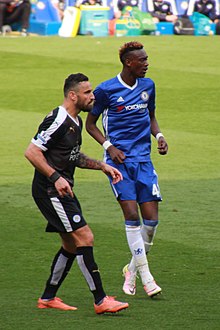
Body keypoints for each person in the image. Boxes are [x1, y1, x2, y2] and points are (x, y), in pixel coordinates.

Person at [24, 73, 129, 314]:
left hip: (61, 188)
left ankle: (48, 297)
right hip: (50, 190)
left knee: (71, 245)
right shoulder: (58, 120)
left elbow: (72, 156)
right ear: (73, 95)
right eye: (87, 92)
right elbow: (31, 152)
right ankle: (101, 300)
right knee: (85, 237)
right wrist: (56, 177)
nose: (92, 97)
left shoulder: (75, 121)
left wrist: (102, 166)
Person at [86, 41, 168, 298]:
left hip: (144, 160)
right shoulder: (106, 90)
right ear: (128, 63)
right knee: (132, 216)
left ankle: (130, 270)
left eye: (146, 59)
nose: (147, 63)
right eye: (142, 60)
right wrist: (109, 147)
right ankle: (147, 277)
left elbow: (151, 116)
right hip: (118, 164)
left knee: (152, 222)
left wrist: (160, 136)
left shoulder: (148, 85)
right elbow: (90, 124)